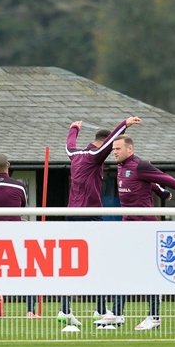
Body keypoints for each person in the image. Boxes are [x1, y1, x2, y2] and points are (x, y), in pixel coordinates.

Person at [108, 134, 175, 331]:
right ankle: (117, 314)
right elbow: (149, 183)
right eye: (113, 150)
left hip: (145, 227)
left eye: (118, 149)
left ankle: (154, 317)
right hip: (127, 226)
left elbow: (167, 179)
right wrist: (160, 192)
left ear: (130, 149)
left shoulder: (141, 165)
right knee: (121, 267)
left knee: (150, 272)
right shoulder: (120, 167)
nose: (115, 152)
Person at [60, 116, 141, 328]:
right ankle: (100, 311)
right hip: (90, 214)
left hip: (72, 213)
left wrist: (73, 129)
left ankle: (65, 309)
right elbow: (111, 140)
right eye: (111, 148)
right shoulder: (95, 155)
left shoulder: (75, 154)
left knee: (71, 263)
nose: (112, 153)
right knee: (101, 261)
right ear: (105, 144)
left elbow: (69, 145)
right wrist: (125, 124)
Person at [0, 154, 36, 318]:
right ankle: (30, 310)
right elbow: (20, 208)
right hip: (15, 232)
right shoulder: (19, 186)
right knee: (26, 268)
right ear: (8, 165)